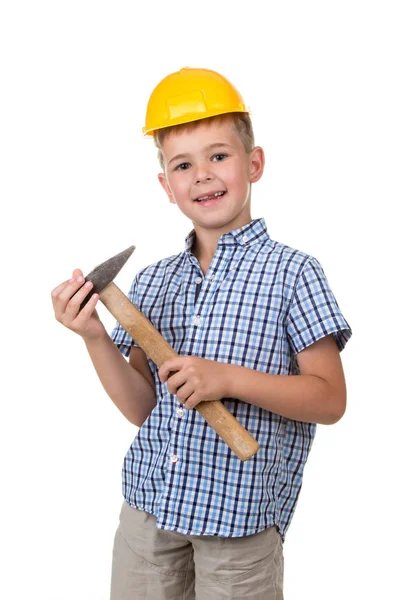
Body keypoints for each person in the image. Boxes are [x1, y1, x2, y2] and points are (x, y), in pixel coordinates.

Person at [51, 67, 352, 599]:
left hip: (239, 520)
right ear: (166, 186)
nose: (202, 175)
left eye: (219, 156)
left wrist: (227, 380)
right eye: (183, 165)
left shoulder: (294, 273)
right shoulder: (154, 279)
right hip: (150, 509)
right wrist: (95, 336)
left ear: (254, 164)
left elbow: (329, 400)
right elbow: (147, 409)